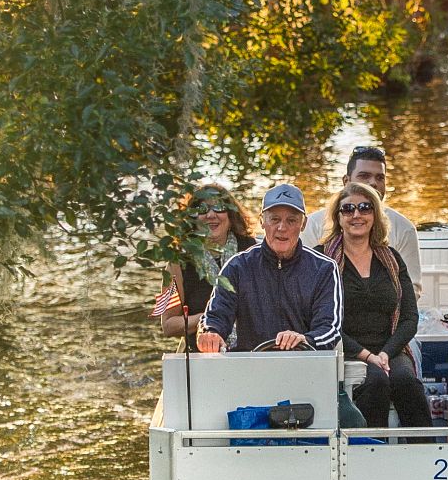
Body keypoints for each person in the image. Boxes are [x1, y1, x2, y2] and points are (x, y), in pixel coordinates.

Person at [198, 181, 365, 425]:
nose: (282, 228)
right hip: (250, 377)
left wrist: (303, 339)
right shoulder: (237, 266)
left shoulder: (324, 269)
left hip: (307, 378)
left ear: (303, 224)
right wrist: (210, 334)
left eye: (291, 220)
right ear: (262, 221)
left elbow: (330, 328)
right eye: (274, 219)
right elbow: (215, 317)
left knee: (355, 423)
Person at [320, 180, 430, 428]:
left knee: (406, 381)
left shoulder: (391, 258)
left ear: (376, 215)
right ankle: (370, 453)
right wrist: (367, 355)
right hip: (344, 349)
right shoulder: (323, 260)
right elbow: (323, 321)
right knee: (376, 382)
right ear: (338, 217)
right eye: (348, 209)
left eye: (365, 207)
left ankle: (425, 453)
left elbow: (410, 318)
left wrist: (384, 353)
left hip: (389, 348)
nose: (356, 214)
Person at [302, 144, 423, 298]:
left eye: (380, 177)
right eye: (364, 176)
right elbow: (304, 284)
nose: (373, 183)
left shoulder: (404, 228)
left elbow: (411, 290)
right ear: (346, 181)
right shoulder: (313, 224)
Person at [155, 184, 255, 341]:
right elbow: (168, 325)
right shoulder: (177, 263)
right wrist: (210, 319)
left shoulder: (253, 251)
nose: (210, 215)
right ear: (192, 218)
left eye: (219, 207)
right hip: (201, 355)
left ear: (231, 215)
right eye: (202, 209)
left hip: (251, 350)